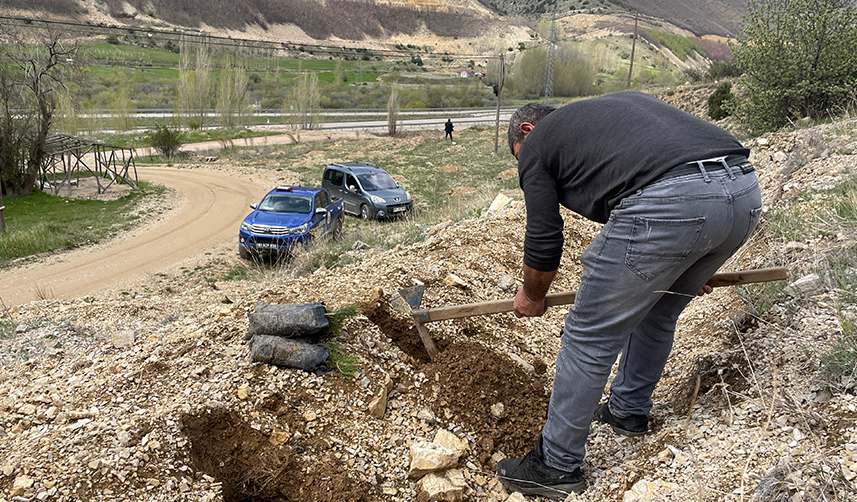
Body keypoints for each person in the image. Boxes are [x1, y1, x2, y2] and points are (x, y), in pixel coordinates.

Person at [496, 92, 761, 500]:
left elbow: (545, 239)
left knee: (588, 338)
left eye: (517, 156)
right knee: (659, 312)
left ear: (526, 132)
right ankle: (627, 412)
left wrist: (532, 295)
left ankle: (555, 466)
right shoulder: (608, 119)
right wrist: (688, 261)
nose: (523, 164)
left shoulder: (538, 143)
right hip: (743, 193)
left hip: (674, 203)